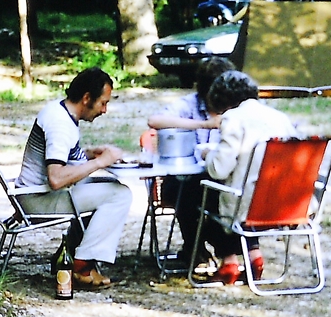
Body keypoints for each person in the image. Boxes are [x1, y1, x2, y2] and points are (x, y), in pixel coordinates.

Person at [15, 67, 133, 288]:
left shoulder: (60, 111)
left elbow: (62, 156)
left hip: (35, 193)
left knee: (111, 186)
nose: (105, 110)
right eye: (103, 103)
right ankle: (81, 266)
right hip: (37, 200)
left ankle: (68, 255)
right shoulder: (61, 125)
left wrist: (91, 154)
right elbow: (57, 178)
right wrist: (99, 162)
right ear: (87, 98)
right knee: (119, 195)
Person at [200, 70, 299, 284]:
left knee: (200, 194)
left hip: (248, 205)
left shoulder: (233, 119)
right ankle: (254, 256)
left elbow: (219, 169)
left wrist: (208, 155)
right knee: (241, 192)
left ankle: (229, 262)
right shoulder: (280, 118)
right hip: (285, 203)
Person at [147, 56, 236, 263]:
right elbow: (154, 120)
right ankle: (202, 249)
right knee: (187, 191)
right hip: (185, 178)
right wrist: (203, 124)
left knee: (224, 195)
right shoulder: (189, 105)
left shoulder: (235, 109)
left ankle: (201, 248)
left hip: (220, 176)